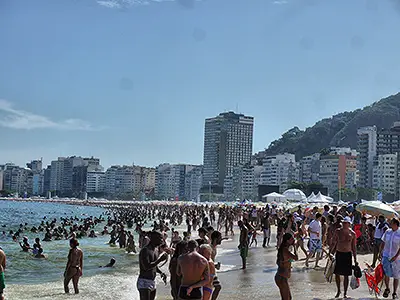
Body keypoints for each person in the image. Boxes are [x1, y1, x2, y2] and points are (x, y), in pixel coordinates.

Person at [329, 216, 357, 299]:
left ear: (349, 224)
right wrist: (330, 253)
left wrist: (355, 259)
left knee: (346, 275)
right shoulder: (338, 231)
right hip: (339, 253)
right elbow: (333, 242)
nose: (344, 224)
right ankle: (338, 291)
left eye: (346, 223)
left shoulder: (352, 234)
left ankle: (345, 292)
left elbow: (354, 247)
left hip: (347, 255)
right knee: (337, 273)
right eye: (343, 223)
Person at [137, 231, 168, 300]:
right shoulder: (145, 250)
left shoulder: (156, 250)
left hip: (152, 281)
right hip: (144, 282)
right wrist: (160, 260)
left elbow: (154, 266)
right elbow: (146, 266)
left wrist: (161, 272)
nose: (162, 240)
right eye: (160, 238)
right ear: (154, 239)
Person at [380, 218, 400, 299]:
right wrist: (380, 252)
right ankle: (387, 288)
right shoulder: (387, 231)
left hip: (396, 257)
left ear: (395, 224)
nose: (390, 224)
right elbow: (383, 242)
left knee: (396, 275)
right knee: (386, 273)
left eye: (391, 223)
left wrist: (395, 256)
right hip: (386, 255)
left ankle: (394, 292)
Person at [275, 233, 298, 300]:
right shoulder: (285, 250)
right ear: (287, 240)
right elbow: (296, 258)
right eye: (291, 239)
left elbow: (278, 262)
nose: (293, 240)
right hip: (282, 278)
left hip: (281, 277)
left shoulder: (283, 249)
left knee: (289, 298)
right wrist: (294, 247)